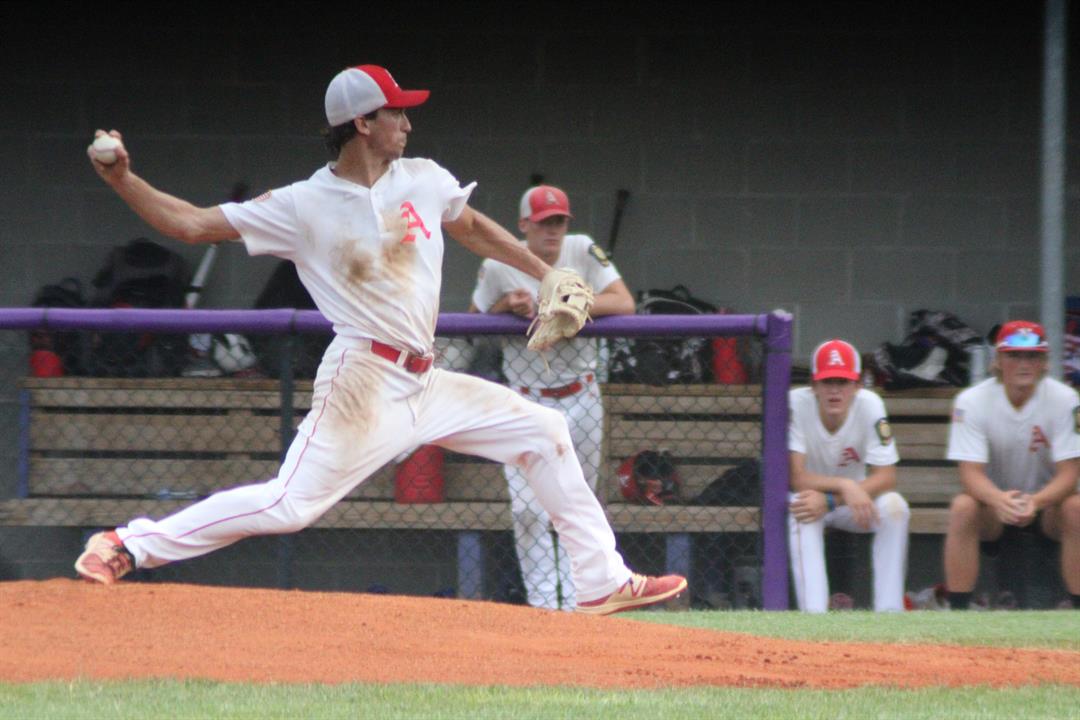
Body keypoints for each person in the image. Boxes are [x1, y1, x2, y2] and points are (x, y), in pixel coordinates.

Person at [74, 64, 686, 615]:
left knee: (546, 433)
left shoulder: (421, 177)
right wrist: (123, 179)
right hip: (364, 379)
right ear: (362, 122)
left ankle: (600, 580)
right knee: (289, 505)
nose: (407, 121)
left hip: (427, 377)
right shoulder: (303, 204)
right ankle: (128, 543)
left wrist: (546, 272)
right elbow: (190, 223)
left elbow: (469, 225)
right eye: (395, 111)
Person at [469, 185, 634, 610]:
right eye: (544, 222)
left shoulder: (582, 249)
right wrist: (505, 305)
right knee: (528, 512)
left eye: (559, 220)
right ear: (524, 226)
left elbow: (625, 302)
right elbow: (469, 326)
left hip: (581, 396)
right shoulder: (499, 264)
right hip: (526, 400)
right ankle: (546, 606)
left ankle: (581, 600)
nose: (553, 230)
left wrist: (574, 305)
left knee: (578, 504)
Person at [943, 320, 1080, 610]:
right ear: (998, 360)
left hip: (1047, 506)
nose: (1024, 363)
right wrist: (999, 500)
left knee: (1076, 507)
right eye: (1014, 355)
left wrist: (1036, 501)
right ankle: (957, 611)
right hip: (992, 506)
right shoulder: (971, 401)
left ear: (1044, 362)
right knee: (962, 506)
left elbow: (1070, 474)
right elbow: (969, 474)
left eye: (1032, 356)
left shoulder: (1065, 400)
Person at [787, 339, 909, 612]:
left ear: (857, 385)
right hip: (811, 496)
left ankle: (890, 613)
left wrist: (833, 500)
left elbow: (887, 477)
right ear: (814, 385)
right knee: (801, 510)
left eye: (842, 382)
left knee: (895, 507)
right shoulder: (796, 403)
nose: (834, 390)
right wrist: (845, 485)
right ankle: (814, 617)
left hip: (846, 504)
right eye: (827, 381)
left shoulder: (871, 405)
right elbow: (796, 477)